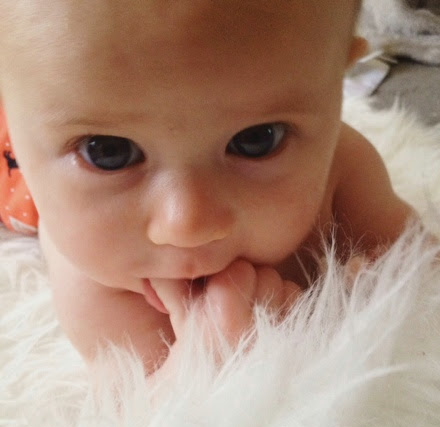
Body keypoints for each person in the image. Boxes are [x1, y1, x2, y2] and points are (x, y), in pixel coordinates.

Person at [0, 0, 415, 374]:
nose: (187, 225)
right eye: (108, 151)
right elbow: (133, 408)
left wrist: (375, 298)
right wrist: (202, 364)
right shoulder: (94, 274)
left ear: (338, 80)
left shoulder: (345, 165)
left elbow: (421, 265)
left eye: (257, 140)